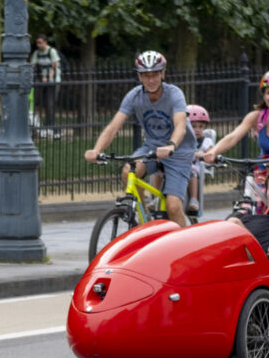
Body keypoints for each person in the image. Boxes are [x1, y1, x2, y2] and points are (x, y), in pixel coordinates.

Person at [84, 50, 195, 227]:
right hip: (151, 147)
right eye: (145, 75)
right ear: (139, 76)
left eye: (155, 75)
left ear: (163, 74)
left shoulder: (174, 94)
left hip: (179, 151)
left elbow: (180, 125)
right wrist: (97, 150)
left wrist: (171, 146)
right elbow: (114, 126)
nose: (151, 80)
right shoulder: (134, 96)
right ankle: (145, 219)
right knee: (129, 170)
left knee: (173, 206)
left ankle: (188, 247)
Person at [204, 70, 269, 207]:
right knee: (254, 204)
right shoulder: (257, 117)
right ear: (263, 95)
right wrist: (214, 151)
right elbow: (233, 136)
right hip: (264, 170)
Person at [29, 35, 61, 139]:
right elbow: (32, 65)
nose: (38, 45)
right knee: (39, 102)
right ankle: (41, 125)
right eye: (37, 43)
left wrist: (48, 77)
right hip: (42, 81)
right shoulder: (37, 53)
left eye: (40, 42)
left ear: (45, 42)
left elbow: (54, 66)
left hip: (52, 81)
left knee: (50, 104)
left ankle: (50, 126)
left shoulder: (51, 51)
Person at [186, 103, 214, 213]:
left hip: (196, 168)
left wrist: (200, 155)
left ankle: (194, 200)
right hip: (180, 166)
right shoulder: (183, 140)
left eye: (201, 127)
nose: (197, 130)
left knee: (191, 170)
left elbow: (210, 154)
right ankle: (156, 199)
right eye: (193, 127)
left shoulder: (206, 141)